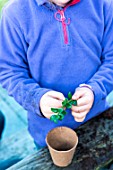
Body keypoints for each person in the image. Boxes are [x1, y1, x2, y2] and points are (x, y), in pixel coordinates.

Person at [0, 0, 113, 147]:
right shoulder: (15, 13)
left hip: (98, 120)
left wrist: (95, 89)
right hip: (48, 133)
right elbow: (10, 72)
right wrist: (37, 98)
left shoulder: (103, 5)